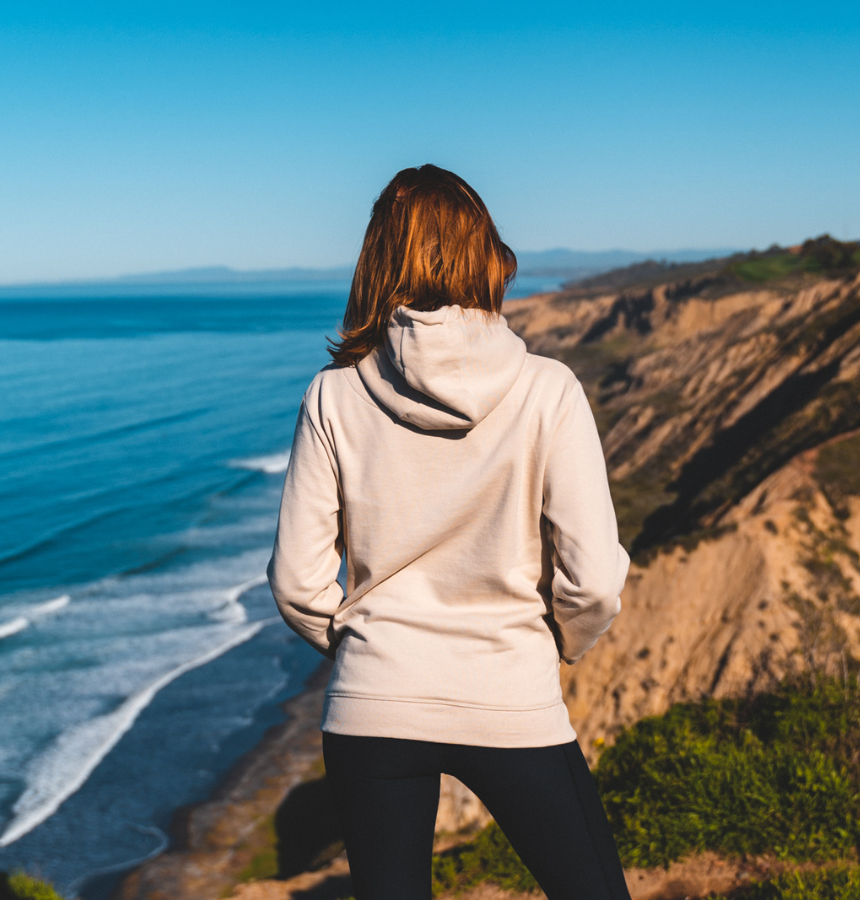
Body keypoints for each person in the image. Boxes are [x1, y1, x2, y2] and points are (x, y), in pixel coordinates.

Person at [267, 164, 632, 900]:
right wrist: (555, 644)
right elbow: (592, 577)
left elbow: (299, 584)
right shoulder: (547, 388)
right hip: (510, 688)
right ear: (486, 254)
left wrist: (370, 651)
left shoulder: (333, 394)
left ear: (377, 258)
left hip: (374, 701)